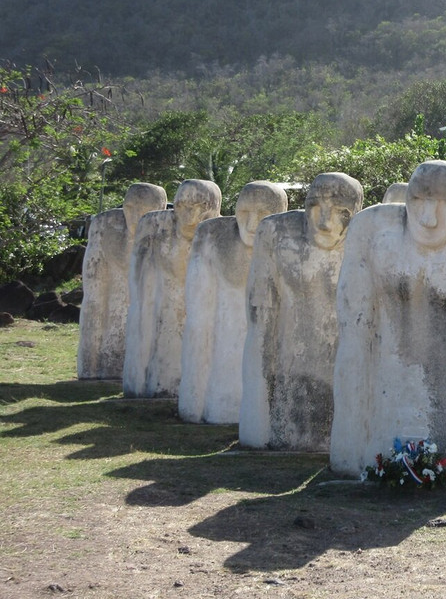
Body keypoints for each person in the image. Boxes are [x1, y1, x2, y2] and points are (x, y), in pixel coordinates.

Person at [330, 161, 446, 480]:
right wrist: (347, 447)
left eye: (444, 204)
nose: (429, 219)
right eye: (419, 201)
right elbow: (354, 341)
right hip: (385, 407)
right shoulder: (371, 231)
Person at [239, 173, 363, 450]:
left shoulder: (370, 241)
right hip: (289, 382)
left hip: (344, 384)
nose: (325, 222)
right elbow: (260, 326)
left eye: (340, 212)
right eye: (316, 207)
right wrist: (255, 423)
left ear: (355, 213)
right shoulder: (276, 234)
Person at [177, 181, 288, 424]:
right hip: (222, 370)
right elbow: (198, 321)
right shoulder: (212, 237)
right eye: (245, 213)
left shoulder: (291, 248)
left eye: (263, 215)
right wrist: (192, 401)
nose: (251, 225)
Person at [123, 179, 220, 397]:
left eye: (198, 207)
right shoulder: (157, 229)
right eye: (182, 206)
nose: (189, 216)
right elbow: (140, 294)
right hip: (164, 327)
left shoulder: (222, 238)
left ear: (213, 208)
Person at [77, 183, 167, 380]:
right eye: (129, 208)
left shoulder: (168, 233)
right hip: (112, 316)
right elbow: (93, 295)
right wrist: (89, 364)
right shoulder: (105, 226)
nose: (133, 216)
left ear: (159, 209)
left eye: (142, 210)